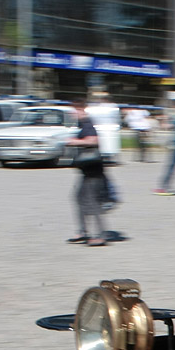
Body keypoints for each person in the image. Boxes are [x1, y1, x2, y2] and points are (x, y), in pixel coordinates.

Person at [66, 97, 107, 247]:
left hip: (93, 171)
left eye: (73, 111)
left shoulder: (88, 123)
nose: (72, 114)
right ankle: (83, 232)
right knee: (78, 198)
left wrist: (74, 142)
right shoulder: (83, 123)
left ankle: (99, 235)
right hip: (87, 171)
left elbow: (93, 140)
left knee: (92, 202)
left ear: (80, 109)